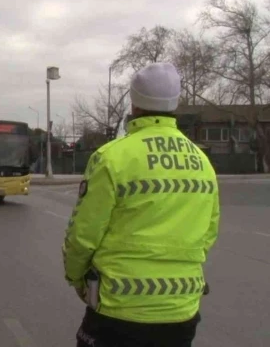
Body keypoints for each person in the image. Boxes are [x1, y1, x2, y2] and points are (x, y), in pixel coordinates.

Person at [62, 62, 220, 347]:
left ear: (134, 106)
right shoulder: (202, 162)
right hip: (181, 311)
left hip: (119, 308)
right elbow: (208, 233)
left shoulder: (111, 157)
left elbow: (83, 236)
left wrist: (76, 279)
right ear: (175, 105)